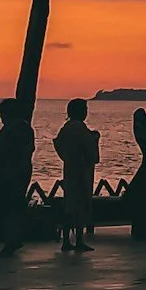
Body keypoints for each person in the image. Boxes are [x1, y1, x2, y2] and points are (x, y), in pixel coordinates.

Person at [54, 96, 99, 253]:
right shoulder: (81, 130)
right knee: (81, 206)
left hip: (69, 170)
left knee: (70, 206)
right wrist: (95, 139)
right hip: (82, 172)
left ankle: (66, 240)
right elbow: (93, 155)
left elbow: (58, 144)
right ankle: (79, 240)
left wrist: (67, 157)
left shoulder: (66, 128)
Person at [0, 98, 34, 257]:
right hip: (19, 173)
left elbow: (3, 151)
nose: (1, 116)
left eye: (2, 113)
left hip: (9, 174)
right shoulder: (24, 128)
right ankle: (13, 239)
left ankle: (11, 241)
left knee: (8, 208)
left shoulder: (12, 129)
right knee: (13, 207)